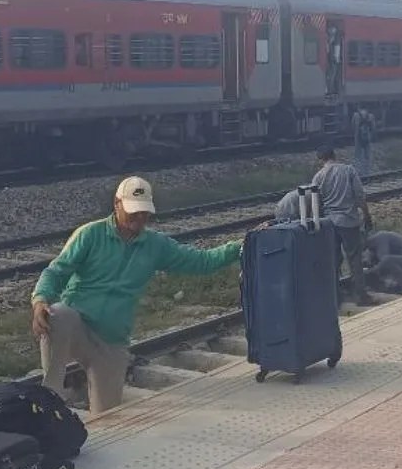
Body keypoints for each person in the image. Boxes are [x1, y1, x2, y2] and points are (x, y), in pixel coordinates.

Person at [30, 177, 244, 414]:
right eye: (133, 211)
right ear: (117, 204)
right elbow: (57, 271)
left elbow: (201, 261)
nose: (139, 218)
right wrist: (40, 300)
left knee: (107, 413)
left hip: (112, 340)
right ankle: (49, 400)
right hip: (79, 325)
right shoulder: (90, 235)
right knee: (56, 315)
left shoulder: (156, 245)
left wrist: (239, 247)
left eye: (144, 213)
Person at [311, 143, 376, 307]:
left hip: (329, 223)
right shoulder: (348, 170)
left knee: (333, 260)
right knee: (354, 258)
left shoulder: (318, 177)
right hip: (348, 221)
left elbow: (315, 204)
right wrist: (367, 215)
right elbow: (360, 196)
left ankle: (335, 297)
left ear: (321, 159)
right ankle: (361, 296)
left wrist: (318, 223)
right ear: (335, 155)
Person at [363, 230, 402, 295]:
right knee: (384, 264)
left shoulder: (380, 238)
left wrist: (370, 272)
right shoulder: (374, 244)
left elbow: (384, 261)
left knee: (387, 260)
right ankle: (393, 286)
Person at [352, 106, 376, 177]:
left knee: (358, 156)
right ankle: (367, 172)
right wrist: (370, 135)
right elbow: (373, 128)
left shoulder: (355, 115)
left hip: (358, 138)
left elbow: (352, 125)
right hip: (367, 138)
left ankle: (359, 172)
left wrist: (356, 133)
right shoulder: (371, 116)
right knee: (367, 156)